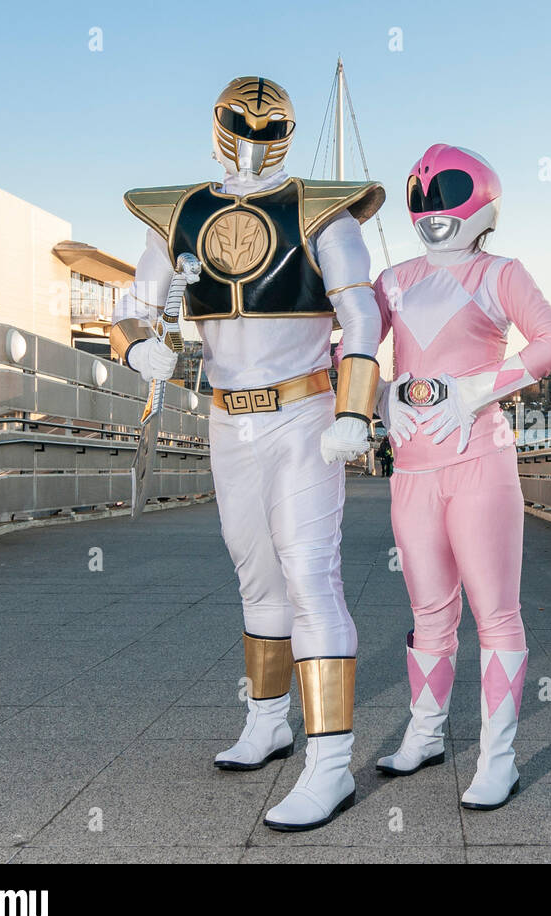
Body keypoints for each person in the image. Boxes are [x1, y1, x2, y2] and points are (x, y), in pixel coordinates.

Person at [109, 76, 383, 831]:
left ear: (288, 131)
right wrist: (141, 352)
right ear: (220, 125)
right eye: (242, 123)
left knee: (310, 578)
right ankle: (268, 721)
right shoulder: (180, 214)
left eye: (270, 126)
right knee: (256, 576)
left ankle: (329, 766)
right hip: (228, 418)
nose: (255, 137)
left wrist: (355, 410)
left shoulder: (324, 212)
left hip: (303, 413)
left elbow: (362, 315)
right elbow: (131, 308)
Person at [372, 144, 551, 810]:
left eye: (446, 190)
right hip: (413, 469)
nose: (432, 208)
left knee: (495, 613)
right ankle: (426, 733)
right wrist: (379, 395)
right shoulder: (392, 281)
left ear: (480, 198)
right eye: (421, 193)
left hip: (480, 460)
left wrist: (477, 388)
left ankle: (498, 757)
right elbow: (347, 345)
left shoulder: (500, 273)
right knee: (429, 612)